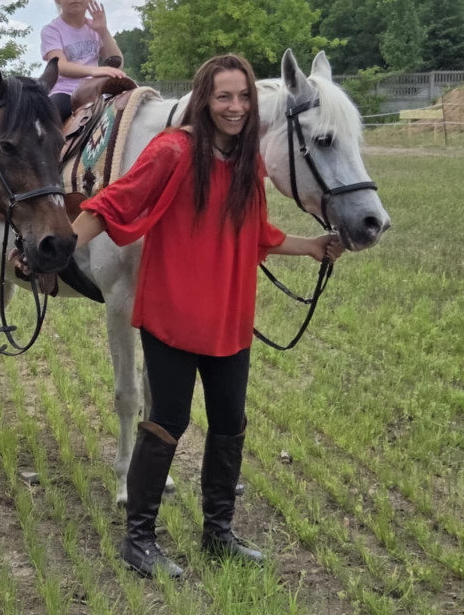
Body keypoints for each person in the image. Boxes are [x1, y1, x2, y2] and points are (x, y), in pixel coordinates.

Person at [73, 54, 345, 578]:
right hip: (173, 315)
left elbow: (258, 233)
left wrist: (312, 246)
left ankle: (218, 533)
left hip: (229, 316)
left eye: (243, 96)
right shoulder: (173, 150)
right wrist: (62, 243)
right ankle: (139, 539)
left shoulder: (249, 165)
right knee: (166, 424)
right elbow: (114, 204)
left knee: (228, 424)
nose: (235, 107)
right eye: (224, 96)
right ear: (204, 98)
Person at [40, 0, 126, 120]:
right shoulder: (52, 30)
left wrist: (103, 31)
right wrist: (94, 71)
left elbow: (117, 63)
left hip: (97, 90)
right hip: (66, 93)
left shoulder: (95, 29)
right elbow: (60, 65)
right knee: (48, 118)